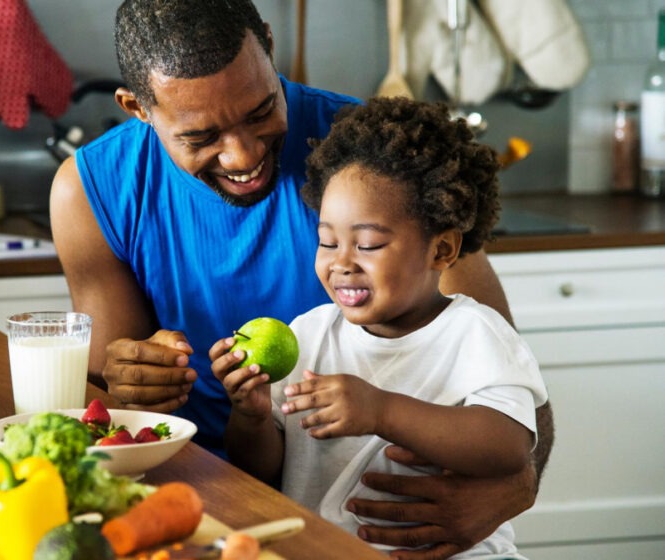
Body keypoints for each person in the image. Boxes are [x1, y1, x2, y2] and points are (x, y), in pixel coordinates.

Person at [49, 0, 555, 556]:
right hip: (202, 506)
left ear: (268, 44)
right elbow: (108, 408)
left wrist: (512, 490)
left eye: (261, 109)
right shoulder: (92, 190)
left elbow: (514, 392)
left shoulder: (375, 161)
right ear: (136, 108)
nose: (243, 154)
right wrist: (132, 379)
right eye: (201, 136)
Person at [211, 97, 548, 558]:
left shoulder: (474, 333)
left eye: (367, 244)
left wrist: (381, 411)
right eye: (327, 241)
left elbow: (508, 446)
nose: (341, 263)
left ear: (442, 251)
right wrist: (249, 416)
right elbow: (263, 468)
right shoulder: (309, 335)